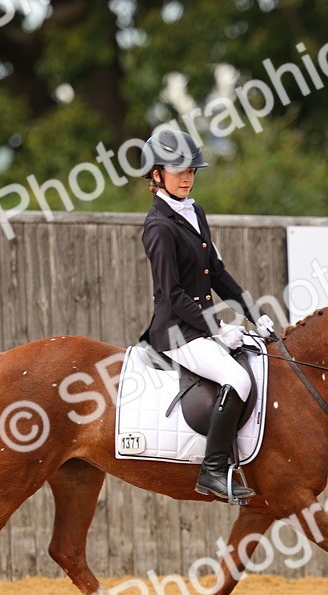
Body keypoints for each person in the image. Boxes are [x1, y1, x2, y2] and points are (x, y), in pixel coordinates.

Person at [137, 130, 275, 502]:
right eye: (178, 170)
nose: (187, 177)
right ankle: (212, 471)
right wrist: (216, 328)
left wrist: (253, 312)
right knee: (238, 379)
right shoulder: (158, 227)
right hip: (176, 332)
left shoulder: (194, 212)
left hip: (199, 325)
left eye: (192, 170)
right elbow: (171, 293)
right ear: (156, 175)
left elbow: (216, 272)